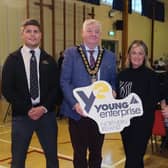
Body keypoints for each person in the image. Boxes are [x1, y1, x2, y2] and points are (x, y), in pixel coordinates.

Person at [2, 18, 59, 168]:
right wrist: (27, 108)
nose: (32, 35)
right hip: (22, 116)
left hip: (46, 116)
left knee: (52, 158)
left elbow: (56, 88)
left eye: (36, 31)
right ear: (22, 34)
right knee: (18, 160)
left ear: (41, 35)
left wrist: (43, 108)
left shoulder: (49, 60)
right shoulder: (12, 60)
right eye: (28, 31)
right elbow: (7, 88)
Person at [60, 19, 116, 168]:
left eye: (97, 31)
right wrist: (75, 104)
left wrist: (113, 92)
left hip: (99, 113)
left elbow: (112, 81)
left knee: (96, 152)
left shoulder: (109, 56)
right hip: (78, 112)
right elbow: (64, 81)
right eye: (89, 31)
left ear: (101, 35)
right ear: (82, 33)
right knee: (79, 153)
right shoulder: (71, 53)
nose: (93, 34)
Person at [116, 40, 160, 168]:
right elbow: (118, 98)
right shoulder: (122, 75)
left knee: (134, 157)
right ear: (128, 55)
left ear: (145, 56)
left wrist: (135, 108)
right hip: (125, 124)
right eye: (133, 53)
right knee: (133, 157)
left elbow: (153, 99)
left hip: (142, 123)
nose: (136, 56)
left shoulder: (151, 75)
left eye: (140, 53)